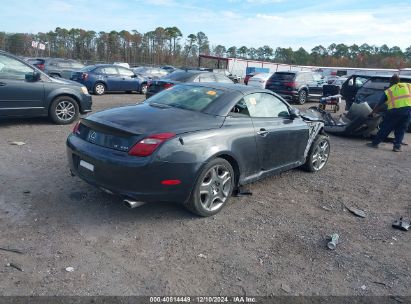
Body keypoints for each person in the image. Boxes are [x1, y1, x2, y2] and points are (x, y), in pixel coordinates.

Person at [367, 74, 411, 152]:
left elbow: (379, 103)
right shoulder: (407, 85)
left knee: (386, 127)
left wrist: (372, 113)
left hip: (394, 111)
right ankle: (397, 147)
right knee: (401, 129)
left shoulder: (389, 91)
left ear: (391, 82)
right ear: (399, 80)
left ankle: (375, 143)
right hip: (407, 111)